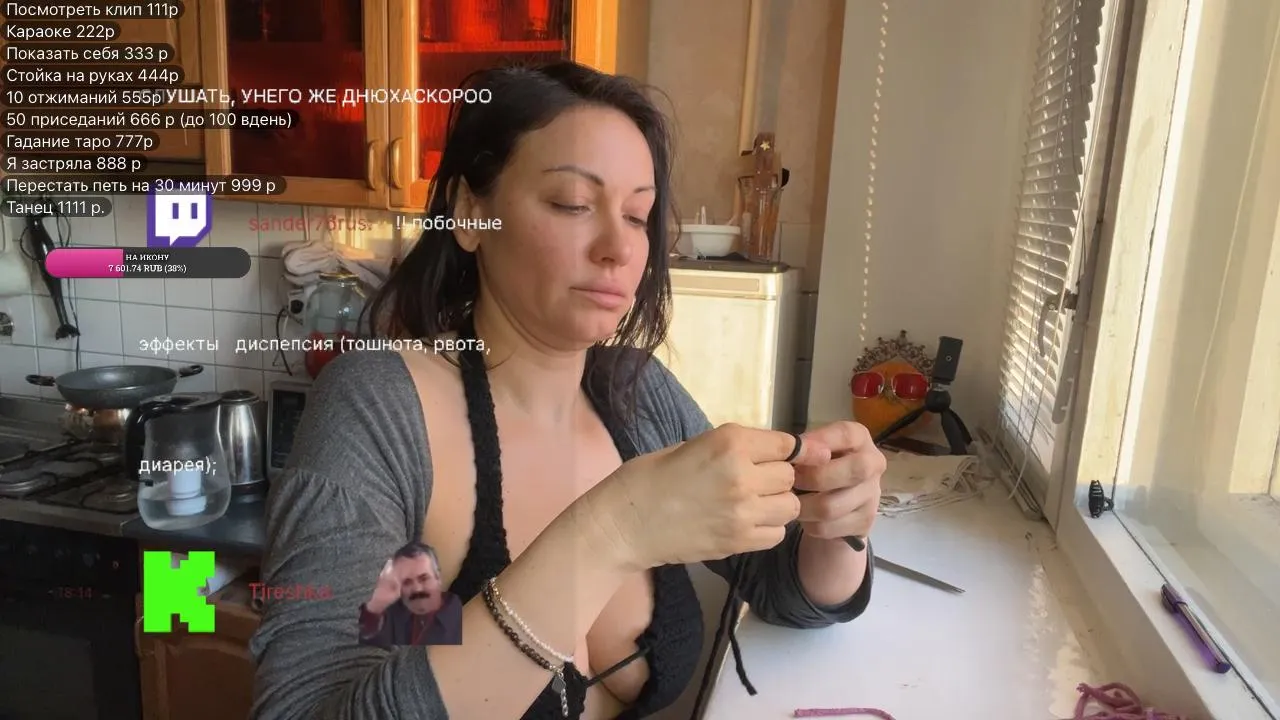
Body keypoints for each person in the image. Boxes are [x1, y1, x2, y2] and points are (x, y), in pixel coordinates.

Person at [249, 61, 885, 720]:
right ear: (471, 213)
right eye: (572, 204)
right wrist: (609, 533)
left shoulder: (640, 395)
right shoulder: (380, 408)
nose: (618, 248)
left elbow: (783, 586)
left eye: (637, 216)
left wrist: (838, 522)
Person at [358, 542, 463, 648]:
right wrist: (375, 606)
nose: (417, 589)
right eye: (407, 582)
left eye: (424, 579)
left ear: (438, 577)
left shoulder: (462, 613)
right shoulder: (392, 614)